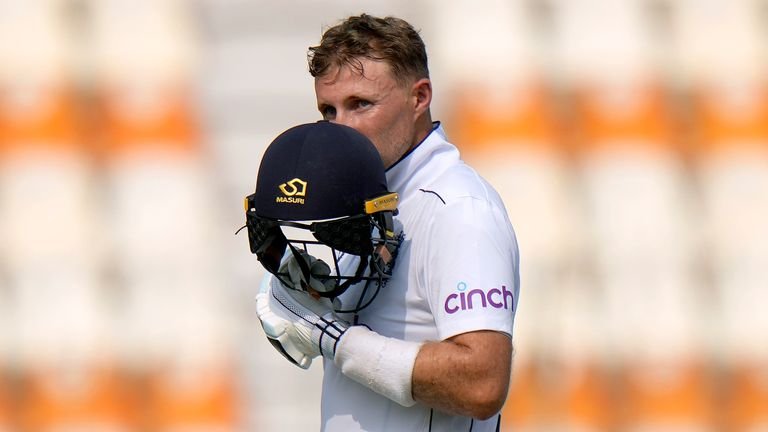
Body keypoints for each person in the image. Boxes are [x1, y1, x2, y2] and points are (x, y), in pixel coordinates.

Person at [252, 14, 520, 432]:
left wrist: (333, 339)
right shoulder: (362, 198)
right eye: (329, 110)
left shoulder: (458, 208)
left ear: (419, 98)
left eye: (361, 104)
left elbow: (482, 382)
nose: (340, 128)